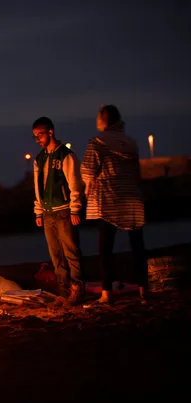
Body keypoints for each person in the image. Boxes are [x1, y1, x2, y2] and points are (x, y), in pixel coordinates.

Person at [81, 105, 148, 304]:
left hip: (109, 200)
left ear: (103, 120)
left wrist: (86, 188)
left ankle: (107, 292)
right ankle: (145, 290)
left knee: (105, 249)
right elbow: (137, 174)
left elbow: (87, 171)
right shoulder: (131, 143)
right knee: (138, 247)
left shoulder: (97, 143)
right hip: (132, 199)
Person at [32, 117, 84, 304]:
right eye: (35, 136)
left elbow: (74, 184)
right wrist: (38, 211)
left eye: (40, 134)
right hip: (47, 213)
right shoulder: (39, 159)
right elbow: (38, 188)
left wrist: (75, 209)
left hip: (64, 211)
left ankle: (77, 289)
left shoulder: (66, 155)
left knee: (71, 251)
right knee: (56, 256)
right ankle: (63, 292)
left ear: (50, 132)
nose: (37, 139)